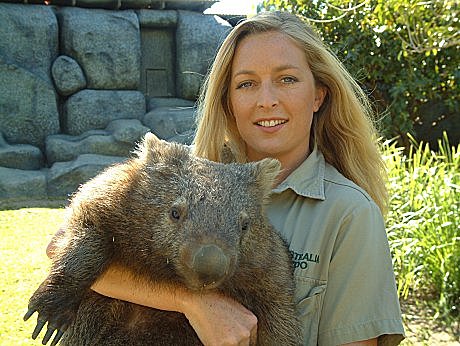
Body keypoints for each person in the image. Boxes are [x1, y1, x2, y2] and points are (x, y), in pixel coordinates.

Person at [47, 11, 405, 345]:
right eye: (247, 84)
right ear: (228, 100)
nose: (267, 100)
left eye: (287, 79)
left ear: (318, 96)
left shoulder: (348, 214)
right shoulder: (188, 175)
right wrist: (194, 304)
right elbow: (60, 246)